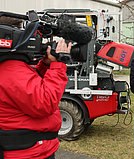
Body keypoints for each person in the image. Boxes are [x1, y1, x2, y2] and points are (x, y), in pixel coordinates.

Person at [0, 16, 71, 159]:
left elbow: (31, 85)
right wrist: (58, 66)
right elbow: (44, 103)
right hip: (28, 153)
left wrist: (45, 65)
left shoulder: (10, 69)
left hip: (26, 150)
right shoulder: (12, 72)